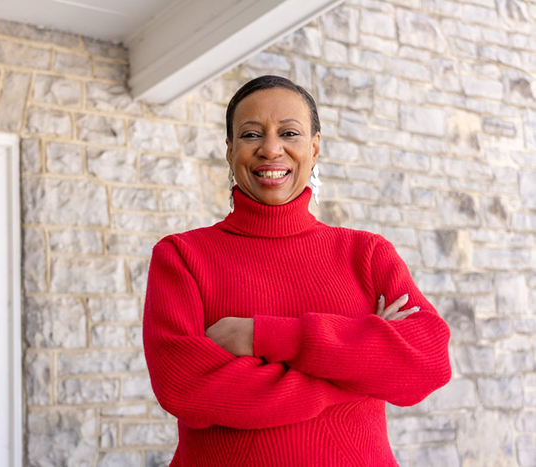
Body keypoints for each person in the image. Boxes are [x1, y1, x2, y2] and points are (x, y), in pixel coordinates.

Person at [142, 75, 451, 466]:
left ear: (315, 147)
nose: (271, 149)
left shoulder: (367, 254)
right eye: (252, 135)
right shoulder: (183, 256)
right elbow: (185, 388)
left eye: (289, 132)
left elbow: (428, 362)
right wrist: (358, 372)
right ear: (229, 150)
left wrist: (260, 335)